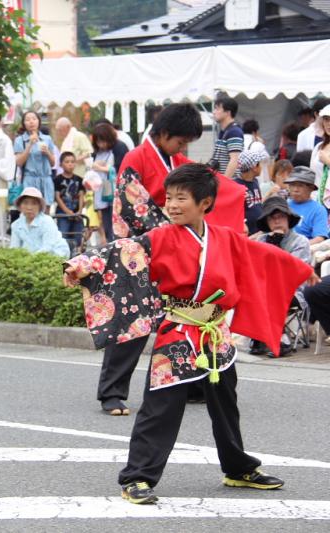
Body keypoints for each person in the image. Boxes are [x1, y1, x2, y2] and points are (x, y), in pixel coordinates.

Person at [64, 163, 316, 505]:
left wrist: (302, 270)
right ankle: (137, 476)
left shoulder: (225, 238)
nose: (172, 205)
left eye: (181, 197)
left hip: (215, 334)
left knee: (226, 404)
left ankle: (238, 468)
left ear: (205, 203)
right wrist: (81, 266)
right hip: (179, 331)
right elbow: (120, 253)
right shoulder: (160, 237)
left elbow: (265, 256)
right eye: (169, 197)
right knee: (161, 407)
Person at [104, 103, 246, 417]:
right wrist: (167, 234)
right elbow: (132, 209)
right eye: (180, 142)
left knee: (188, 317)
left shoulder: (175, 160)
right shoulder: (136, 158)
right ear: (164, 133)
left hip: (174, 248)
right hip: (145, 250)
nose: (183, 149)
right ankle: (112, 392)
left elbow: (208, 187)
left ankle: (195, 382)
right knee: (133, 319)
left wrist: (239, 198)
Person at [250, 196, 311, 357]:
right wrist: (271, 243)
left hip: (293, 292)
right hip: (264, 289)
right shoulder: (262, 240)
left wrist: (276, 246)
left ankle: (279, 337)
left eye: (281, 217)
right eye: (272, 218)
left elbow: (294, 272)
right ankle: (263, 334)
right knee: (251, 288)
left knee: (271, 290)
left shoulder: (300, 241)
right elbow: (256, 269)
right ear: (267, 222)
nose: (277, 221)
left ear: (288, 219)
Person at [10, 187, 69, 258]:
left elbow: (48, 247)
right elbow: (14, 248)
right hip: (29, 258)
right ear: (20, 206)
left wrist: (29, 259)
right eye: (25, 203)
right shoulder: (16, 225)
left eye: (34, 203)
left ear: (39, 207)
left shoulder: (47, 221)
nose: (29, 207)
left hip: (54, 254)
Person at [14, 111, 56, 205]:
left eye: (34, 119)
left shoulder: (47, 139)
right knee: (30, 209)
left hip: (46, 179)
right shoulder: (20, 140)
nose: (31, 122)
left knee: (46, 209)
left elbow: (53, 163)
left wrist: (48, 153)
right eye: (27, 120)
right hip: (30, 180)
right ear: (24, 124)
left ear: (39, 121)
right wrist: (30, 145)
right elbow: (19, 162)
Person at [91, 123, 122, 244]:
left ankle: (112, 240)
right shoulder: (98, 154)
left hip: (109, 187)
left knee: (112, 214)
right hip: (99, 188)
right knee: (104, 216)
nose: (101, 144)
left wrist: (101, 168)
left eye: (103, 141)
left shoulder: (114, 152)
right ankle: (108, 240)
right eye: (99, 142)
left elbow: (114, 170)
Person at [286, 166, 327, 245]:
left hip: (303, 251)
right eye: (292, 185)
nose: (295, 189)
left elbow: (319, 238)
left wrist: (298, 246)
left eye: (300, 185)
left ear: (311, 188)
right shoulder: (284, 205)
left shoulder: (318, 210)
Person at [53, 151, 85, 250]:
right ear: (61, 164)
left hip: (76, 214)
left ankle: (76, 255)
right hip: (63, 213)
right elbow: (57, 197)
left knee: (78, 237)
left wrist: (79, 211)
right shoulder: (57, 179)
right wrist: (67, 211)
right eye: (67, 162)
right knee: (63, 236)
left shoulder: (79, 179)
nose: (70, 164)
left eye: (72, 161)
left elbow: (81, 196)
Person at [208, 96, 244, 180]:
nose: (214, 112)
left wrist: (225, 181)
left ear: (228, 112)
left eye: (217, 109)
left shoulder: (234, 132)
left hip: (230, 183)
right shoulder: (224, 131)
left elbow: (234, 160)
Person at [234, 150, 267, 235]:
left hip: (259, 229)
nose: (261, 167)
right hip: (247, 231)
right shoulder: (237, 186)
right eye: (259, 164)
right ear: (254, 167)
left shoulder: (255, 181)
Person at [310, 103, 330, 206]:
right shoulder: (318, 147)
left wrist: (328, 161)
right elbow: (312, 175)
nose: (328, 124)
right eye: (326, 119)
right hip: (318, 200)